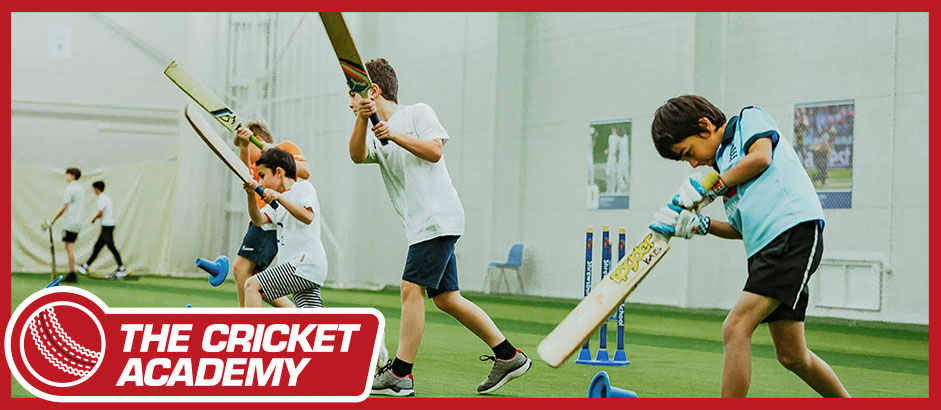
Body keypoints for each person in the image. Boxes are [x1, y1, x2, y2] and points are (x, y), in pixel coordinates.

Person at [348, 58, 530, 397]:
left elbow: (434, 151)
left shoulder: (417, 113)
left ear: (373, 91)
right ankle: (508, 356)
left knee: (410, 288)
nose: (349, 101)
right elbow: (356, 156)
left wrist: (396, 135)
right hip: (423, 224)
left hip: (437, 217)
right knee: (447, 298)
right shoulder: (373, 132)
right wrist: (362, 118)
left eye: (353, 94)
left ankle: (401, 374)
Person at [648, 95, 849, 398]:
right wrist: (701, 226)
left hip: (791, 233)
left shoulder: (747, 120)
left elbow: (761, 158)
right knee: (792, 355)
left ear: (705, 126)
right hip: (767, 247)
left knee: (735, 327)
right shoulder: (724, 167)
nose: (693, 163)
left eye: (688, 152)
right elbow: (742, 229)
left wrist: (710, 189)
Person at [226, 121, 310, 308]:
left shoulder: (284, 148)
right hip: (262, 220)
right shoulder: (258, 168)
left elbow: (305, 171)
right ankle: (299, 315)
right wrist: (244, 145)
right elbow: (244, 174)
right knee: (256, 283)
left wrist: (275, 153)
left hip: (274, 220)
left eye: (247, 148)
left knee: (241, 270)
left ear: (259, 141)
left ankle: (245, 324)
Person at [241, 148, 326, 309]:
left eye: (262, 175)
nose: (260, 182)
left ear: (278, 172)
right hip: (303, 268)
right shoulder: (275, 203)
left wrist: (280, 198)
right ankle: (368, 334)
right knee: (312, 322)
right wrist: (250, 195)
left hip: (304, 264)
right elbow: (258, 220)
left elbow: (307, 217)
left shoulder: (303, 188)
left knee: (252, 285)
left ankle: (251, 333)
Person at [76, 181, 126, 278]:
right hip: (106, 226)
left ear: (97, 189)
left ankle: (121, 268)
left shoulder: (101, 198)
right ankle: (86, 266)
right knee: (98, 247)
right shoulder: (106, 198)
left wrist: (94, 219)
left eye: (94, 189)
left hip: (107, 226)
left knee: (111, 247)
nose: (94, 191)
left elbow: (100, 213)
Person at [49, 167, 84, 283]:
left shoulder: (70, 189)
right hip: (78, 222)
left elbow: (64, 207)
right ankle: (72, 272)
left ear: (73, 176)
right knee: (70, 246)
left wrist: (53, 220)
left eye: (67, 175)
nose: (66, 177)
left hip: (70, 222)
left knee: (69, 247)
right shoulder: (81, 188)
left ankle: (72, 273)